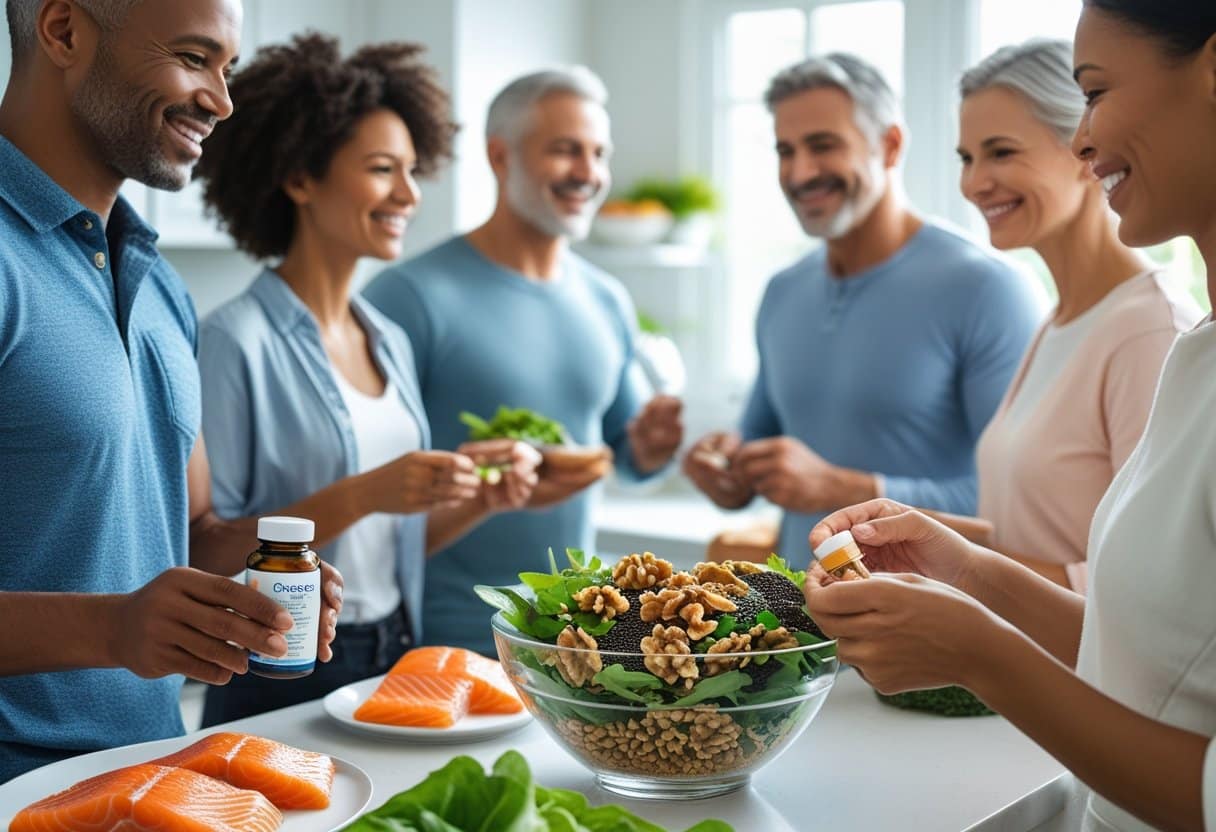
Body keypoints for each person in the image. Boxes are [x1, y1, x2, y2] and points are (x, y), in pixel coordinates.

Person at [804, 4, 1216, 829]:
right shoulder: (1193, 353)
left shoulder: (1153, 328)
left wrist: (980, 649)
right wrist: (969, 571)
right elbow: (1148, 650)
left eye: (1094, 94)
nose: (1084, 137)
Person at [0, 0, 340, 782]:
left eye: (228, 70)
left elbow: (188, 531)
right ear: (63, 31)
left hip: (160, 770)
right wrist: (111, 629)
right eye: (194, 59)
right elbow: (120, 618)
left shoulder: (161, 285)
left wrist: (268, 577)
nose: (221, 101)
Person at [190, 34, 542, 725]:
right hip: (279, 665)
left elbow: (386, 543)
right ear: (300, 178)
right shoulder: (232, 342)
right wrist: (367, 491)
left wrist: (474, 499)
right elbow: (206, 553)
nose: (408, 194)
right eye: (383, 169)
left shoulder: (389, 339)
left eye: (413, 171)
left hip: (398, 652)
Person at [364, 67, 684, 655]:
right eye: (565, 151)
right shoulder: (407, 297)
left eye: (598, 153)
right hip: (438, 643)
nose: (588, 174)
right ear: (500, 156)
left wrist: (654, 448)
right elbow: (364, 493)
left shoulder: (605, 297)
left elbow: (624, 452)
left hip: (575, 644)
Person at [683, 53, 1043, 560]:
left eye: (823, 146)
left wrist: (846, 489)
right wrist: (728, 471)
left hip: (930, 627)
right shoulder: (782, 293)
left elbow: (1018, 508)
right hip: (797, 621)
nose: (799, 171)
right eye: (785, 150)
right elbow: (759, 454)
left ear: (890, 145)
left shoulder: (987, 289)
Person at [955, 39, 1201, 591]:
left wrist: (969, 573)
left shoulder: (1149, 329)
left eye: (1001, 152)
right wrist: (926, 541)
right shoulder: (1060, 319)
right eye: (967, 158)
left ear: (1083, 148)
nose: (974, 183)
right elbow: (1038, 538)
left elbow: (1156, 589)